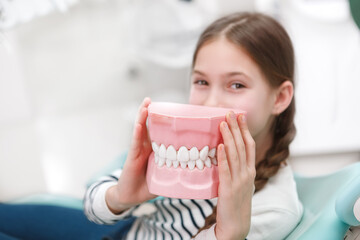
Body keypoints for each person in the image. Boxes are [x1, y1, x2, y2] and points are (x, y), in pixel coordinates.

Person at [84, 12, 303, 240]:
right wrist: (119, 196)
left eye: (236, 85)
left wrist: (226, 236)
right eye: (201, 82)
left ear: (279, 98)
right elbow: (92, 204)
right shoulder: (187, 151)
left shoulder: (273, 210)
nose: (210, 103)